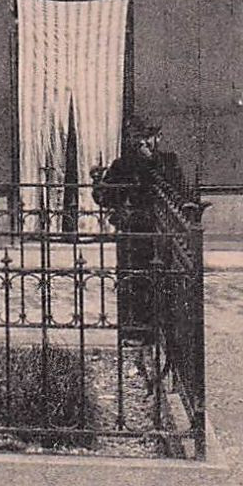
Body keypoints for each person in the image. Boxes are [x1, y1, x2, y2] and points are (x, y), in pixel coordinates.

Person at [92, 120, 183, 342]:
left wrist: (151, 160)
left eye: (150, 137)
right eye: (139, 138)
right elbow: (104, 199)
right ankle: (132, 330)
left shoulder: (167, 161)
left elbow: (175, 190)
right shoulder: (122, 165)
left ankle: (157, 331)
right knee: (130, 278)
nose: (144, 143)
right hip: (131, 229)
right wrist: (98, 182)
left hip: (158, 230)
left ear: (157, 138)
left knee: (157, 279)